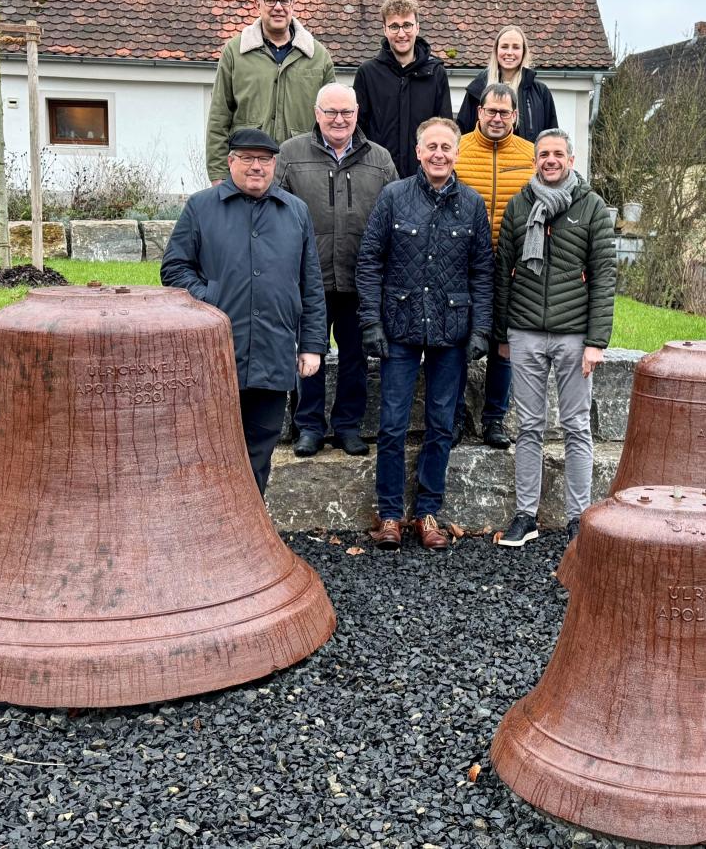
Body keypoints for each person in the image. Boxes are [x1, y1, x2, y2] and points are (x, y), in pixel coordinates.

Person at [161, 128, 327, 495]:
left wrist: (312, 344)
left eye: (265, 160)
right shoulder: (201, 207)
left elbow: (310, 283)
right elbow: (174, 268)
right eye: (248, 158)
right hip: (217, 350)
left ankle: (251, 530)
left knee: (260, 446)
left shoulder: (295, 211)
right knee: (212, 445)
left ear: (274, 165)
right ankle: (214, 531)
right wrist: (210, 298)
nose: (257, 167)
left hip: (273, 348)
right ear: (231, 161)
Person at [355, 118, 493, 550]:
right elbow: (370, 262)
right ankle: (391, 514)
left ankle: (428, 512)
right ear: (417, 152)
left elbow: (482, 273)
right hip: (399, 326)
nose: (439, 154)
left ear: (456, 153)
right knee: (393, 425)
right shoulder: (394, 197)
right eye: (431, 146)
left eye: (446, 147)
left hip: (450, 331)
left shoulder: (471, 205)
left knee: (440, 425)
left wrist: (480, 329)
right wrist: (371, 323)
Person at [492, 128, 616, 547]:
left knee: (577, 427)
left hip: (574, 336)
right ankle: (526, 515)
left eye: (557, 154)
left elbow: (604, 278)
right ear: (535, 160)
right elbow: (503, 272)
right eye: (543, 153)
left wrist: (597, 340)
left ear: (571, 159)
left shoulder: (592, 208)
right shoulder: (519, 205)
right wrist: (503, 332)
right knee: (528, 426)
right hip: (524, 332)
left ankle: (577, 518)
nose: (550, 160)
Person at [276, 83, 399, 458]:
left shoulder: (379, 159)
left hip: (360, 278)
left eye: (346, 112)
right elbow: (274, 210)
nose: (339, 119)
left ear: (357, 113)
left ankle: (347, 425)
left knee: (355, 357)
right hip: (308, 278)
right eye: (331, 112)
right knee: (308, 354)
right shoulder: (291, 154)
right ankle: (309, 427)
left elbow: (395, 213)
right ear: (317, 114)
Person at [452, 82, 535, 450]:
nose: (497, 118)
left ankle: (494, 419)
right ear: (478, 112)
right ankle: (451, 416)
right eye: (491, 111)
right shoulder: (459, 149)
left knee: (504, 344)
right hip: (461, 262)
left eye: (505, 113)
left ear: (515, 117)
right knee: (454, 341)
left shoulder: (531, 155)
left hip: (511, 263)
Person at [205, 0, 336, 184]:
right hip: (248, 168)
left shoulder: (317, 56)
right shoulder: (235, 52)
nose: (278, 7)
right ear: (257, 4)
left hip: (302, 169)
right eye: (270, 0)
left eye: (284, 1)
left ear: (293, 4)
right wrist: (218, 174)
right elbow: (219, 117)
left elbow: (332, 120)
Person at [354, 0, 452, 179]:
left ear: (417, 27)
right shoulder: (368, 73)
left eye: (407, 25)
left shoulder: (436, 73)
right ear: (384, 29)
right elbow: (358, 130)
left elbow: (444, 128)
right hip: (377, 175)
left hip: (423, 177)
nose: (401, 33)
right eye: (394, 26)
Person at [456, 25, 559, 143]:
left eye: (516, 47)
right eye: (504, 47)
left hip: (526, 160)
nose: (509, 53)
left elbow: (552, 137)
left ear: (523, 52)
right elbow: (463, 134)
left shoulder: (540, 92)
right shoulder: (477, 89)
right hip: (483, 160)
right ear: (496, 50)